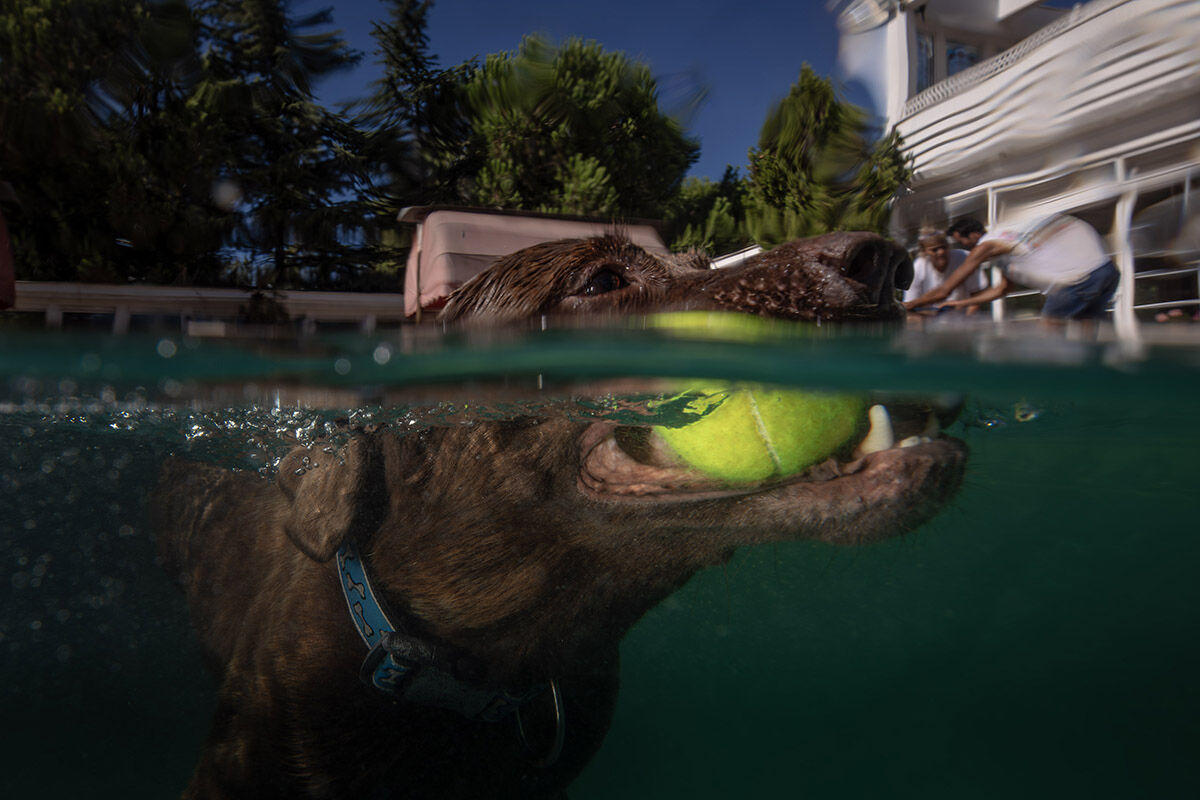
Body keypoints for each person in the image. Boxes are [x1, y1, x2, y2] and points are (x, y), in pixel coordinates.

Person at [904, 214, 1120, 327]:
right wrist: (959, 303)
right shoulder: (1005, 244)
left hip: (1078, 280)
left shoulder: (986, 245)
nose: (969, 251)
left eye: (965, 244)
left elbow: (944, 290)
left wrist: (907, 305)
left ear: (973, 236)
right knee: (1087, 333)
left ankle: (1045, 394)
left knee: (1049, 334)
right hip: (1107, 272)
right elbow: (1002, 290)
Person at [903, 228, 988, 314]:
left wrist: (969, 320)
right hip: (930, 318)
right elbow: (910, 304)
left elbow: (977, 296)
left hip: (963, 317)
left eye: (944, 247)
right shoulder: (918, 267)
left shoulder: (964, 258)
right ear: (925, 251)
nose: (941, 252)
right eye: (934, 250)